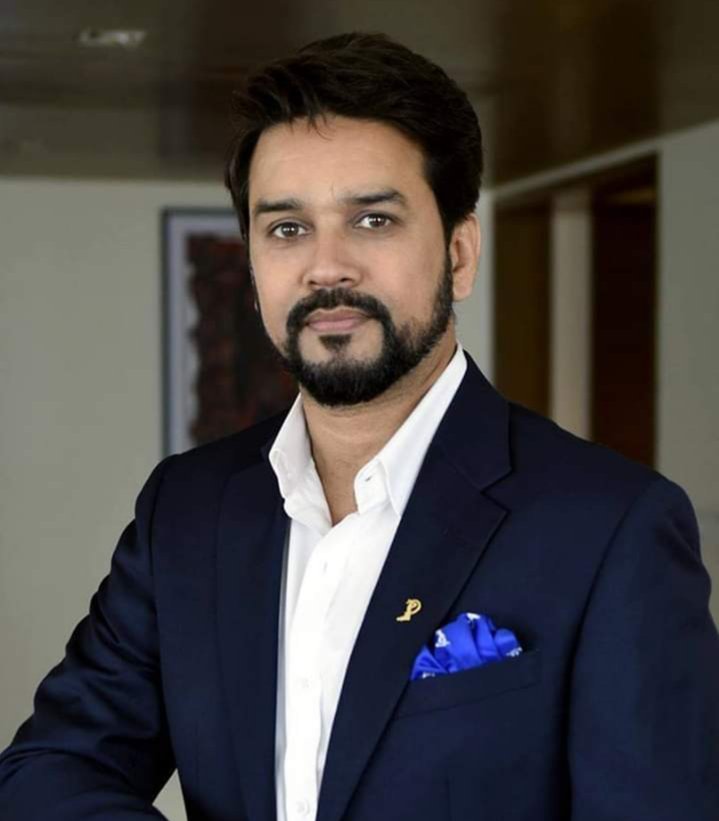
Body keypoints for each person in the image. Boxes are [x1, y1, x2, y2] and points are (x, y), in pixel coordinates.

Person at [1, 31, 718, 821]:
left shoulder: (610, 526)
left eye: (372, 220)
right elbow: (50, 766)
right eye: (286, 228)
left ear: (459, 253)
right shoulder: (188, 509)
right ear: (253, 267)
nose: (326, 266)